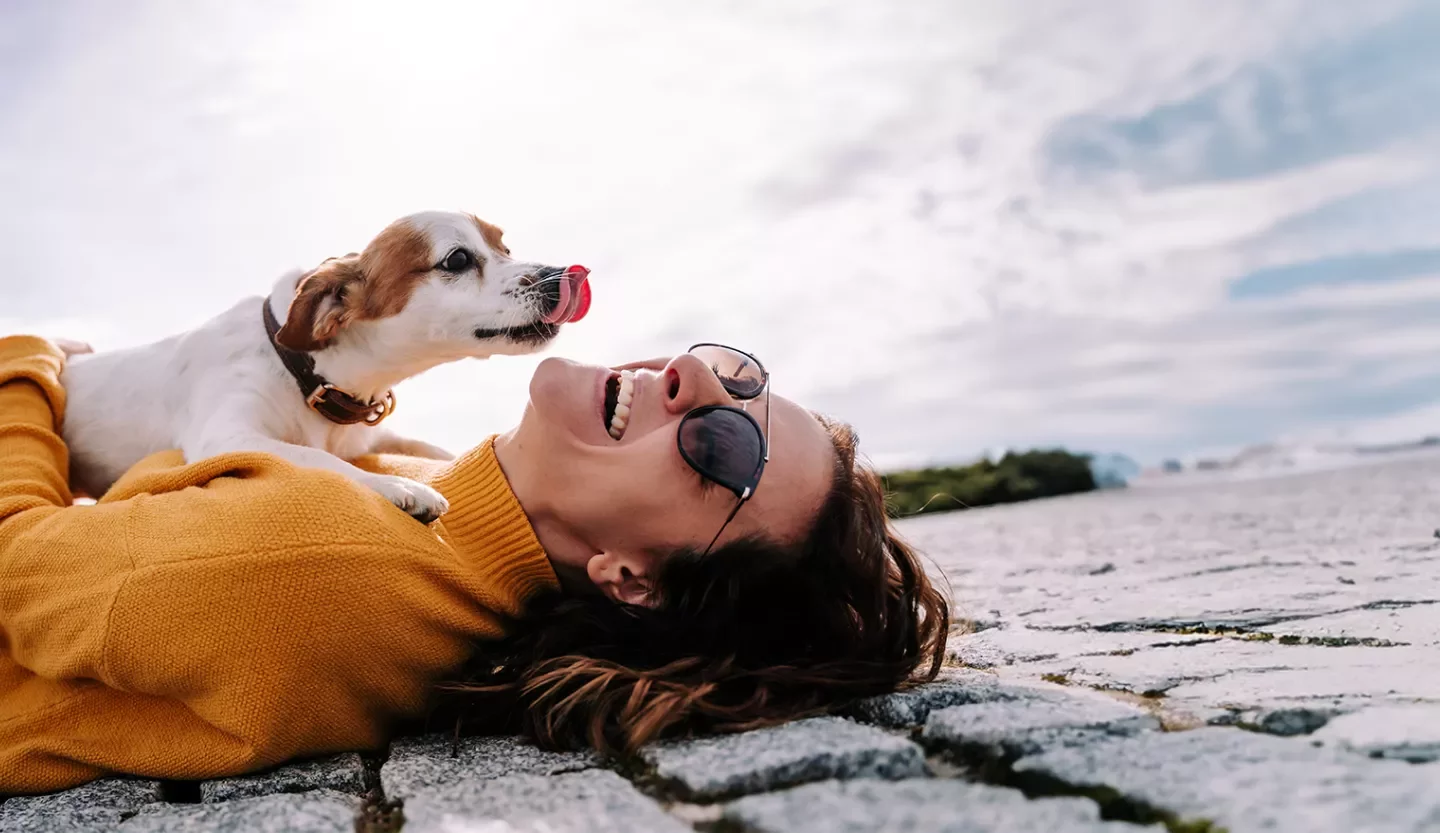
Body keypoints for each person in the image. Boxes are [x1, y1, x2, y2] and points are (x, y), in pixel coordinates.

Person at [0, 335, 948, 795]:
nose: (693, 378)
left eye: (721, 449)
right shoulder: (432, 493)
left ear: (632, 579)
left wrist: (30, 366)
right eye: (740, 379)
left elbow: (12, 560)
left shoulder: (312, 558)